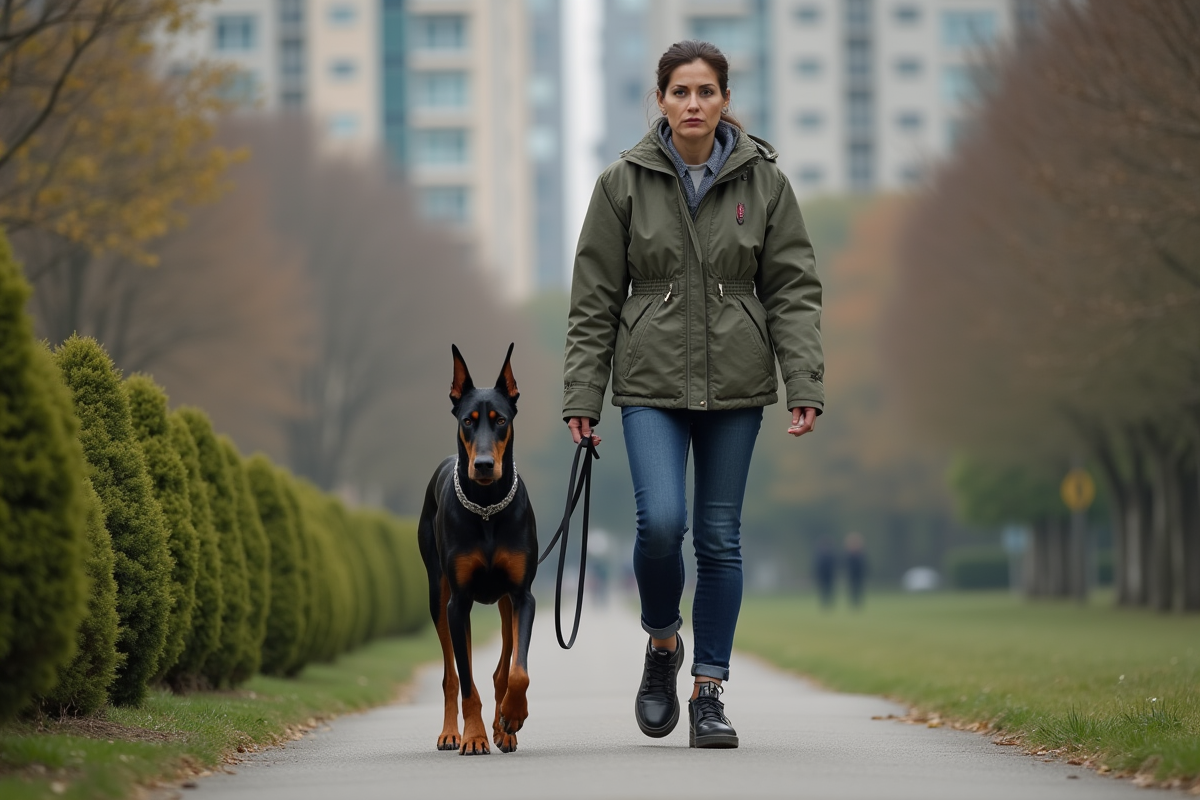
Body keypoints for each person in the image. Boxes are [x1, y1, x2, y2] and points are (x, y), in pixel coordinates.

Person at [561, 40, 824, 749]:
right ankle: (661, 643)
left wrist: (805, 380)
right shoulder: (622, 183)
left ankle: (709, 693)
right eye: (680, 92)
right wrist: (582, 396)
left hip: (737, 385)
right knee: (661, 525)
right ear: (661, 101)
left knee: (718, 538)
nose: (694, 104)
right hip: (648, 383)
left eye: (706, 91)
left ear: (725, 100)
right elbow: (593, 299)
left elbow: (794, 290)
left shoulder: (765, 183)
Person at [844, 532, 867, 608]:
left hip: (859, 574)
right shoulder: (849, 555)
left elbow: (864, 565)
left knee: (859, 589)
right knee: (852, 589)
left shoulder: (861, 554)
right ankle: (853, 603)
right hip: (851, 574)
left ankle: (858, 603)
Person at [813, 539, 837, 609]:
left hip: (830, 576)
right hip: (822, 576)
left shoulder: (831, 555)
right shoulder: (819, 556)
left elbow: (834, 565)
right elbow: (817, 567)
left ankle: (830, 603)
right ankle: (824, 603)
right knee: (823, 590)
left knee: (830, 590)